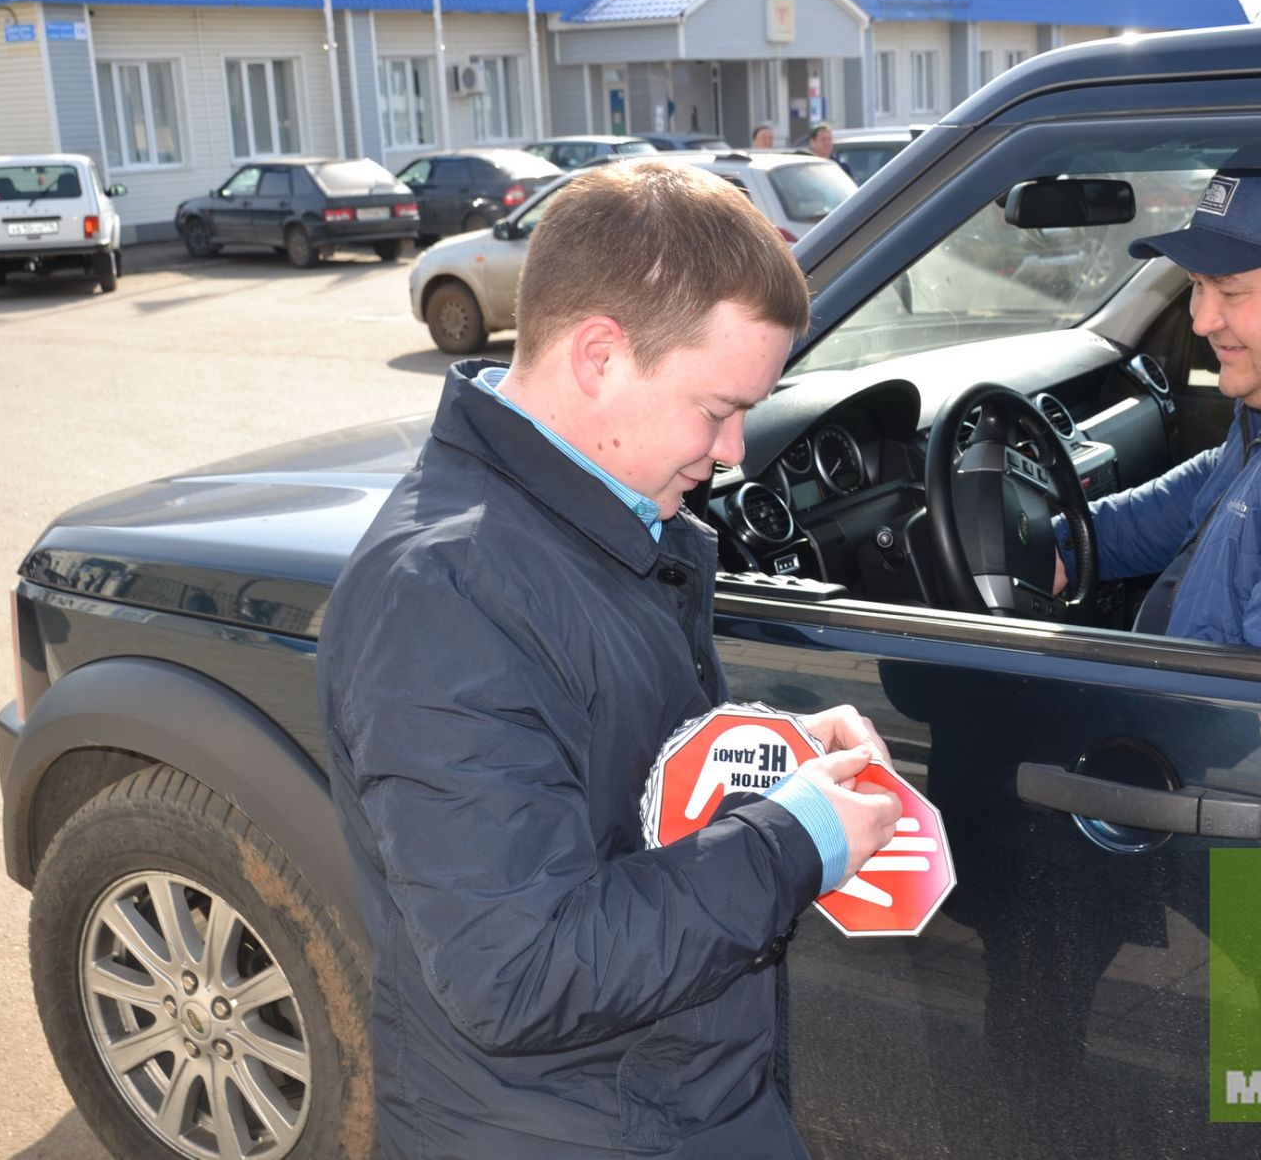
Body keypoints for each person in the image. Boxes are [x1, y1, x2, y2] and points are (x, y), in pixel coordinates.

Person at [321, 159, 903, 1159]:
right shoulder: (447, 592)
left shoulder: (593, 519)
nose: (733, 453)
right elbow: (519, 967)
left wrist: (773, 753)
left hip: (667, 1100)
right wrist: (787, 843)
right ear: (598, 355)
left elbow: (605, 765)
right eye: (717, 409)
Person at [1054, 166, 1261, 649]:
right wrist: (1068, 544)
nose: (1201, 321)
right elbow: (1225, 485)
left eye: (1230, 291)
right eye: (1197, 285)